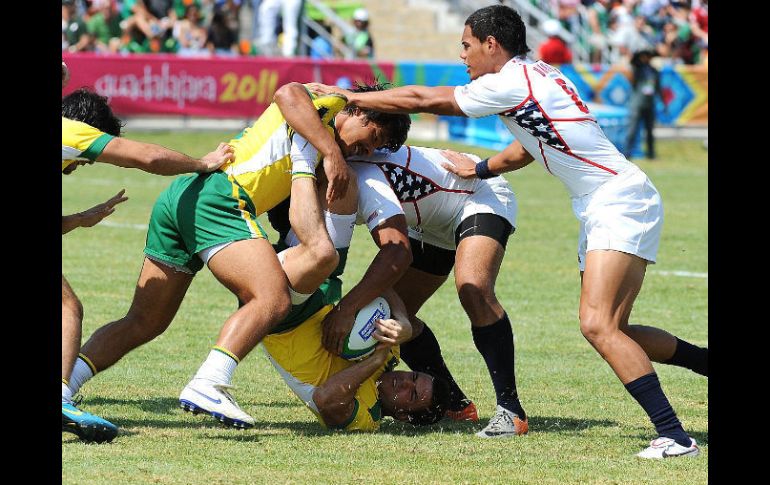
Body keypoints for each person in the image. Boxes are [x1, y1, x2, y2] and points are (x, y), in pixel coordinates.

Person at [308, 4, 708, 458]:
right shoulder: (538, 76)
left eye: (466, 46)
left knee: (597, 325)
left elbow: (424, 99)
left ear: (490, 44)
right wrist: (479, 166)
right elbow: (528, 147)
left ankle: (674, 436)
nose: (464, 57)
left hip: (618, 200)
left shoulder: (510, 81)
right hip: (611, 199)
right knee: (614, 327)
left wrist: (346, 97)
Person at [65, 82, 411, 430]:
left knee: (144, 321)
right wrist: (333, 153)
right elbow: (288, 92)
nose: (362, 149)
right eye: (370, 136)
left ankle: (66, 386)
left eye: (372, 149)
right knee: (273, 299)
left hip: (184, 198)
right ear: (359, 111)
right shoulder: (331, 105)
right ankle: (209, 383)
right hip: (223, 197)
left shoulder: (324, 140)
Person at [61, 87, 234, 443]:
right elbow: (148, 157)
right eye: (89, 156)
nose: (82, 164)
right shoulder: (71, 132)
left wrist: (78, 219)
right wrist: (203, 164)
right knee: (67, 308)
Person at [320, 143, 524, 435]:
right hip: (428, 220)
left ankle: (511, 411)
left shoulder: (358, 176)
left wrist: (347, 308)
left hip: (477, 195)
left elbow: (395, 255)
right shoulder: (329, 171)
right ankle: (455, 403)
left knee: (473, 288)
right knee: (390, 316)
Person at [261, 169, 450, 431]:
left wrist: (372, 362)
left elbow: (326, 400)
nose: (405, 382)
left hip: (283, 317)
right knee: (343, 181)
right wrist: (403, 320)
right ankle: (290, 179)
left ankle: (297, 163)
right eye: (414, 377)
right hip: (323, 289)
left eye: (412, 394)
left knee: (317, 253)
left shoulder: (367, 418)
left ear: (405, 415)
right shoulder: (390, 348)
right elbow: (383, 289)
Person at [624, 49, 664, 160]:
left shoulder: (654, 71)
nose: (646, 58)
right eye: (644, 56)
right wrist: (637, 57)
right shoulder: (637, 69)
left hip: (649, 104)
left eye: (647, 56)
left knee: (650, 130)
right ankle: (627, 153)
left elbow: (658, 87)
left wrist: (662, 102)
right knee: (632, 129)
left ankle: (651, 154)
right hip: (637, 104)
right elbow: (631, 64)